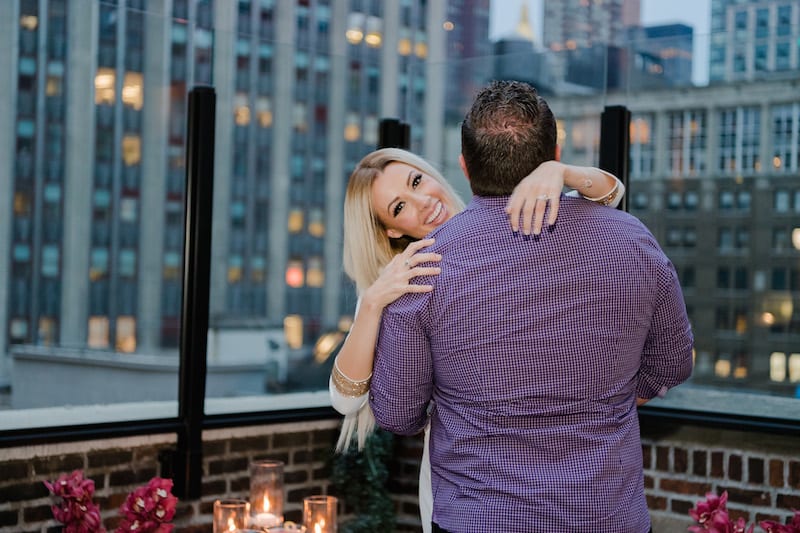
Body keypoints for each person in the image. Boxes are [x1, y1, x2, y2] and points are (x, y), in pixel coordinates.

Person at [368, 80, 694, 533]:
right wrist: (604, 397)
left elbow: (397, 413)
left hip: (478, 519)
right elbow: (673, 364)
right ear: (555, 154)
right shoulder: (633, 241)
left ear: (464, 166)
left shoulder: (422, 269)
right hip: (605, 514)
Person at [329, 145, 625, 531]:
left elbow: (611, 195)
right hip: (463, 483)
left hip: (567, 471)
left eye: (417, 181)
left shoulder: (518, 218)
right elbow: (345, 401)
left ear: (434, 173)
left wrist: (560, 172)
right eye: (399, 207)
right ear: (392, 230)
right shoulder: (397, 285)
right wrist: (371, 301)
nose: (422, 202)